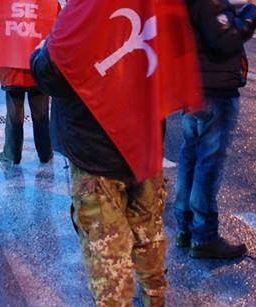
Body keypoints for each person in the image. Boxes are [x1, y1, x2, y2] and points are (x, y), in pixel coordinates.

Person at [31, 41, 167, 306]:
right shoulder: (153, 5)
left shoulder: (85, 11)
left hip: (94, 152)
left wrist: (40, 51)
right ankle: (155, 298)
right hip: (144, 144)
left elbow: (49, 74)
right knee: (149, 238)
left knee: (108, 261)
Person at [175, 0, 256, 259]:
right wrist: (254, 11)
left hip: (193, 87)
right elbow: (226, 39)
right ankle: (204, 235)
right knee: (207, 163)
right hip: (215, 92)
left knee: (190, 158)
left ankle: (186, 228)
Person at [0, 0, 58, 165]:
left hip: (11, 62)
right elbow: (59, 22)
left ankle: (12, 154)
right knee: (41, 114)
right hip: (39, 64)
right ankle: (45, 154)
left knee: (14, 114)